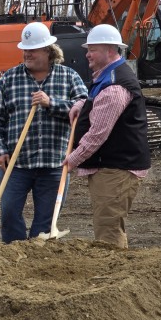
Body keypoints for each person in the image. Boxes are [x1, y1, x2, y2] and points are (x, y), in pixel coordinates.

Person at [0, 21, 88, 243]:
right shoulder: (9, 79)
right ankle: (13, 253)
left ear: (48, 51)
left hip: (54, 164)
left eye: (32, 49)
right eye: (25, 49)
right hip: (16, 164)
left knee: (45, 221)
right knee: (9, 214)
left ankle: (38, 256)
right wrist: (0, 150)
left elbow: (84, 110)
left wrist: (52, 103)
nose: (27, 54)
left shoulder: (69, 77)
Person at [64, 25, 150, 248]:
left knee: (108, 232)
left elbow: (97, 134)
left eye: (92, 49)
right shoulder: (107, 77)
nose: (87, 54)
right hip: (111, 167)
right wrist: (81, 105)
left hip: (116, 168)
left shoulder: (115, 86)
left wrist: (73, 159)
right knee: (106, 225)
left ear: (110, 50)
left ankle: (114, 269)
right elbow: (96, 102)